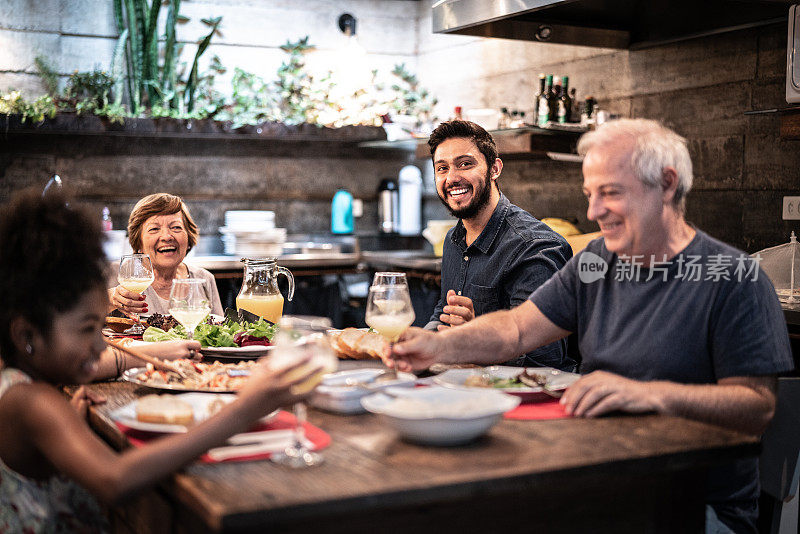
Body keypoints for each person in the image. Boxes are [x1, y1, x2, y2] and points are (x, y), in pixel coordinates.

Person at [391, 119, 793, 533]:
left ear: (667, 185)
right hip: (600, 478)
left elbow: (756, 408)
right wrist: (438, 347)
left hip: (689, 503)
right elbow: (516, 329)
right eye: (589, 194)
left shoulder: (734, 278)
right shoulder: (597, 262)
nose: (592, 211)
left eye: (610, 193)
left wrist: (647, 394)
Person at [0, 189, 315, 532]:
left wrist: (68, 424)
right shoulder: (31, 401)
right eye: (89, 329)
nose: (98, 344)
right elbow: (114, 480)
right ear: (26, 336)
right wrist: (245, 410)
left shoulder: (27, 390)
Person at [424, 120, 573, 369]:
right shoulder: (453, 240)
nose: (452, 177)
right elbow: (443, 313)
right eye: (442, 168)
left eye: (465, 164)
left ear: (494, 169)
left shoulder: (534, 247)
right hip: (468, 385)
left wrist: (475, 337)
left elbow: (543, 359)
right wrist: (419, 344)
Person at [108, 193, 223, 317]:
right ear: (139, 242)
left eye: (176, 227)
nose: (167, 237)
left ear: (188, 238)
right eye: (154, 229)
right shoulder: (116, 274)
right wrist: (109, 299)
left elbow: (220, 331)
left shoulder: (204, 279)